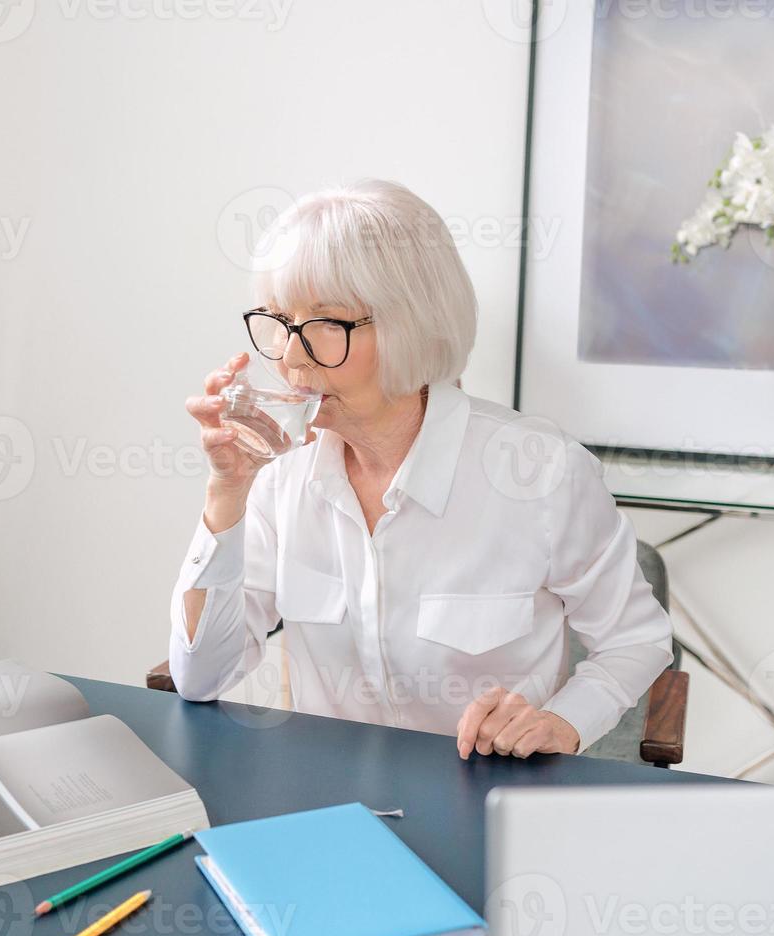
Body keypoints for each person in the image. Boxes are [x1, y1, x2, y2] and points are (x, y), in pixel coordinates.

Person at [170, 179, 671, 758]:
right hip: (331, 805)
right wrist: (226, 492)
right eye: (279, 321)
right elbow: (200, 676)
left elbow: (636, 639)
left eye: (327, 324)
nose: (289, 358)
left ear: (410, 324)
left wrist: (560, 723)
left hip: (487, 796)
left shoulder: (540, 473)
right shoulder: (279, 481)